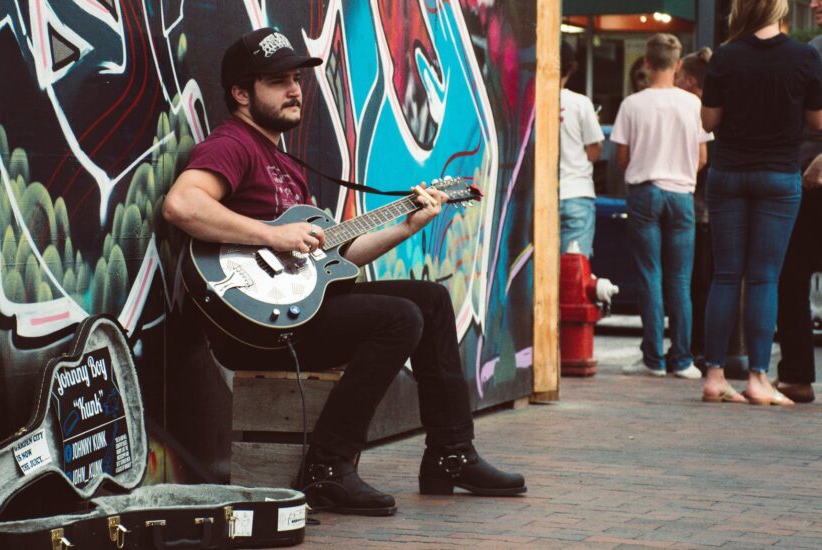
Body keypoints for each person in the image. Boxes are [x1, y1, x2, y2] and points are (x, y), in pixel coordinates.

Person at [162, 27, 526, 516]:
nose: (295, 90)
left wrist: (406, 225)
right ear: (241, 94)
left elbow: (333, 263)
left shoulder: (281, 160)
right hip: (253, 325)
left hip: (293, 306)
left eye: (296, 78)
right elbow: (182, 205)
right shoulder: (234, 144)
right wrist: (273, 235)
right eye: (278, 81)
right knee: (399, 318)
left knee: (431, 301)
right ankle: (328, 468)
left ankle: (451, 455)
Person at [700, 0, 822, 405]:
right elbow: (817, 121)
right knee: (764, 277)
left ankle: (715, 376)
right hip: (778, 175)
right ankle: (757, 378)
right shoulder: (804, 56)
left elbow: (708, 121)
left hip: (729, 172)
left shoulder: (725, 55)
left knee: (726, 275)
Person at [611, 33, 709, 380]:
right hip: (682, 196)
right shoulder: (693, 105)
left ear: (647, 63)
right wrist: (678, 172)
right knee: (680, 281)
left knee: (649, 276)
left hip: (645, 192)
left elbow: (621, 158)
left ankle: (653, 358)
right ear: (678, 64)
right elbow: (702, 157)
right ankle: (682, 360)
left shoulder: (632, 105)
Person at [775, 0, 822, 404]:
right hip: (805, 176)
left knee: (792, 274)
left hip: (813, 179)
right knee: (791, 275)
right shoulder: (815, 49)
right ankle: (796, 375)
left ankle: (796, 374)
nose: (813, 3)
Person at [674, 48, 714, 369]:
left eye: (677, 77)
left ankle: (693, 347)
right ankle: (698, 348)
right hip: (706, 210)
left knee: (694, 283)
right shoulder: (706, 111)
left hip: (699, 208)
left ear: (689, 81)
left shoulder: (700, 111)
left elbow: (702, 161)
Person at [559, 41, 603, 258]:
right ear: (571, 67)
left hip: (537, 197)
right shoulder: (580, 103)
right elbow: (594, 153)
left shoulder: (530, 103)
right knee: (574, 271)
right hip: (577, 192)